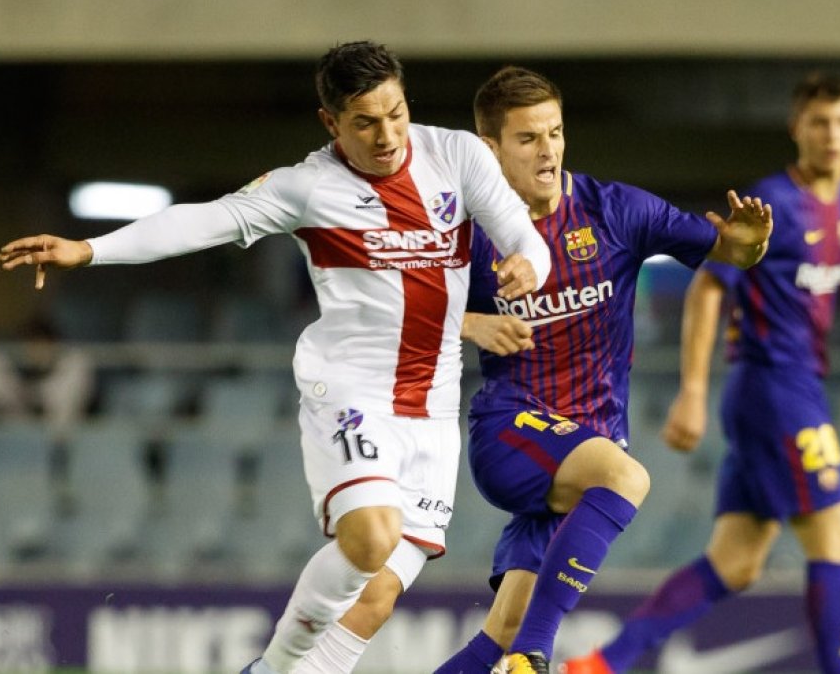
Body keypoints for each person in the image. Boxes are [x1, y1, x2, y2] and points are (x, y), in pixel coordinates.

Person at [0, 41, 552, 674]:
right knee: (371, 537)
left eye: (395, 113)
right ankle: (273, 668)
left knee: (377, 595)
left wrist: (527, 267)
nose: (387, 135)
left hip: (432, 410)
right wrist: (89, 250)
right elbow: (202, 221)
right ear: (330, 122)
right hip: (351, 393)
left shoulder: (454, 155)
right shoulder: (308, 187)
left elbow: (524, 236)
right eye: (365, 122)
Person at [323, 65, 773, 674]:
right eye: (529, 138)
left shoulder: (615, 211)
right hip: (511, 432)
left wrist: (750, 241)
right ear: (488, 149)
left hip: (585, 445)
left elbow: (732, 250)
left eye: (555, 133)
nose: (549, 151)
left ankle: (517, 652)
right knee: (626, 480)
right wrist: (473, 323)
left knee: (498, 632)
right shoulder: (465, 233)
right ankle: (535, 659)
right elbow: (391, 308)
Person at [563, 72, 840, 674]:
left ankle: (602, 664)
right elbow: (710, 285)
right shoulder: (775, 205)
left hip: (785, 389)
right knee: (837, 538)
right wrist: (690, 388)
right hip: (773, 385)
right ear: (797, 129)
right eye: (819, 123)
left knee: (736, 561)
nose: (832, 135)